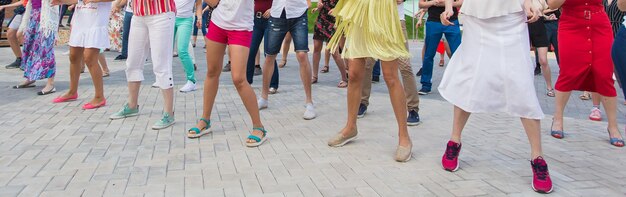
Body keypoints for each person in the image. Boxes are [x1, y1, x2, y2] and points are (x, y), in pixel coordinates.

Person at [438, 0, 553, 193]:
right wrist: (448, 7)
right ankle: (454, 141)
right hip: (477, 20)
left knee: (521, 84)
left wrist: (529, 2)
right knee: (470, 79)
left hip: (512, 19)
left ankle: (538, 158)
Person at [326, 0, 413, 163]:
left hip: (384, 12)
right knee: (353, 74)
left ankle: (404, 136)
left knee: (390, 76)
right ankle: (350, 127)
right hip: (359, 10)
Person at [187, 0, 269, 147]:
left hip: (241, 28)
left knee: (239, 79)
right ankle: (205, 120)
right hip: (218, 23)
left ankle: (259, 127)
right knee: (212, 72)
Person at [548, 0, 624, 147]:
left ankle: (613, 126)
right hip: (571, 25)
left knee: (604, 74)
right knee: (568, 73)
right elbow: (552, 5)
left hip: (599, 24)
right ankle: (557, 119)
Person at [109, 0, 177, 130]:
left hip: (161, 13)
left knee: (161, 64)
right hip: (139, 14)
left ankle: (168, 112)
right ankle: (132, 105)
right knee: (133, 62)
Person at [358, 0, 422, 127]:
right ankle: (362, 102)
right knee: (367, 64)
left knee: (405, 66)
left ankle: (413, 109)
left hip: (396, 21)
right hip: (374, 20)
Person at [258, 0, 317, 120]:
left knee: (302, 54)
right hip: (277, 14)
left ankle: (309, 102)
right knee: (270, 56)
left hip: (298, 14)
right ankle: (264, 98)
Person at [51, 0, 112, 110]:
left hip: (96, 20)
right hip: (80, 19)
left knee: (89, 58)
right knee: (73, 56)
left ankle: (99, 97)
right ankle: (72, 91)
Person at [13, 0, 59, 96]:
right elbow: (30, 3)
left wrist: (55, 31)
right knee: (29, 48)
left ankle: (50, 83)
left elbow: (55, 4)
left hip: (46, 18)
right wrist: (22, 26)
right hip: (33, 16)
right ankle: (30, 78)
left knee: (46, 51)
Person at [417, 0, 462, 95]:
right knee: (428, 55)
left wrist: (447, 4)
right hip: (433, 21)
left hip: (452, 21)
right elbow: (421, 4)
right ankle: (426, 85)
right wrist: (433, 2)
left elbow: (462, 2)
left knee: (458, 54)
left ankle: (460, 84)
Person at [245, 0, 280, 94]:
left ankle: (273, 84)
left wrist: (273, 9)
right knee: (251, 50)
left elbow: (283, 2)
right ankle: (247, 82)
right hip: (256, 20)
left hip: (271, 20)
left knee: (268, 53)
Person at [311, 0, 348, 88]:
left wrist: (337, 9)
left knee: (334, 51)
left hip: (334, 21)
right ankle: (314, 76)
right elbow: (321, 1)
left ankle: (344, 78)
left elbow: (347, 5)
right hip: (321, 19)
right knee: (316, 47)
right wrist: (318, 5)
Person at [172, 0, 202, 92]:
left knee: (182, 50)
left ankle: (191, 81)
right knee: (165, 50)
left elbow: (199, 3)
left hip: (185, 20)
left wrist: (199, 17)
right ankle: (162, 78)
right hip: (169, 18)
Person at [528, 0, 554, 97]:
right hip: (524, 24)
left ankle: (549, 87)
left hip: (539, 25)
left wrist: (548, 17)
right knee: (524, 59)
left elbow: (542, 12)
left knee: (543, 60)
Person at [0, 0, 25, 69]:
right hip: (22, 9)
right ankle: (19, 59)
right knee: (10, 34)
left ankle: (30, 60)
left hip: (34, 10)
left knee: (22, 35)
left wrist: (4, 6)